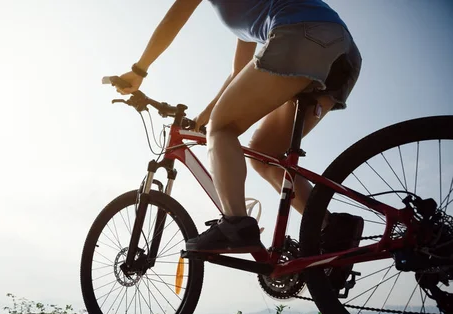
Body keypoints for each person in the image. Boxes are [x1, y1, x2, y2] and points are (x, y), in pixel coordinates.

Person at [117, 0, 363, 261]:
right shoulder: (250, 14)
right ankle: (331, 228)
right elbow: (238, 73)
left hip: (300, 34)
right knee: (263, 154)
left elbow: (173, 19)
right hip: (342, 52)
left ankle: (235, 225)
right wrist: (203, 119)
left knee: (223, 129)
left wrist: (138, 70)